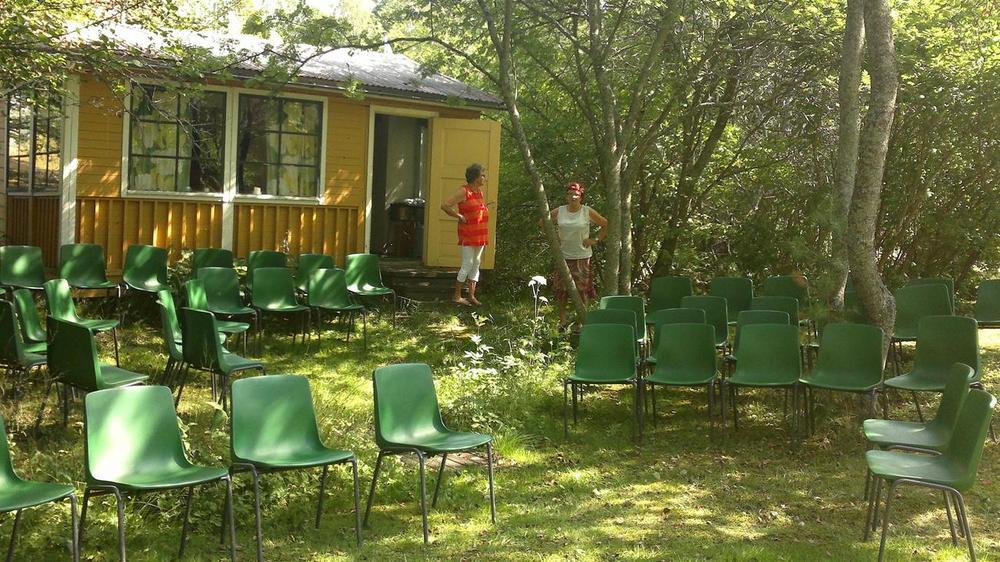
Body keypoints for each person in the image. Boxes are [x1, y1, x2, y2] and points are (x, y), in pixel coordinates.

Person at [542, 182, 608, 327]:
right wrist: (554, 238)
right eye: (570, 194)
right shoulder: (559, 211)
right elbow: (542, 223)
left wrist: (595, 240)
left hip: (582, 256)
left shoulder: (586, 211)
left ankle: (582, 321)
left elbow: (605, 224)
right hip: (563, 256)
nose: (573, 197)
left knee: (582, 291)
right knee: (562, 290)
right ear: (566, 196)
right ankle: (563, 320)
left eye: (576, 195)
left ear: (581, 197)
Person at [441, 163, 489, 305]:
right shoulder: (464, 191)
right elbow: (445, 205)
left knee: (476, 263)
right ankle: (457, 296)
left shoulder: (479, 192)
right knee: (467, 264)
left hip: (480, 234)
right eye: (482, 175)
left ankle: (471, 296)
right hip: (468, 234)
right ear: (475, 177)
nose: (484, 178)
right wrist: (459, 216)